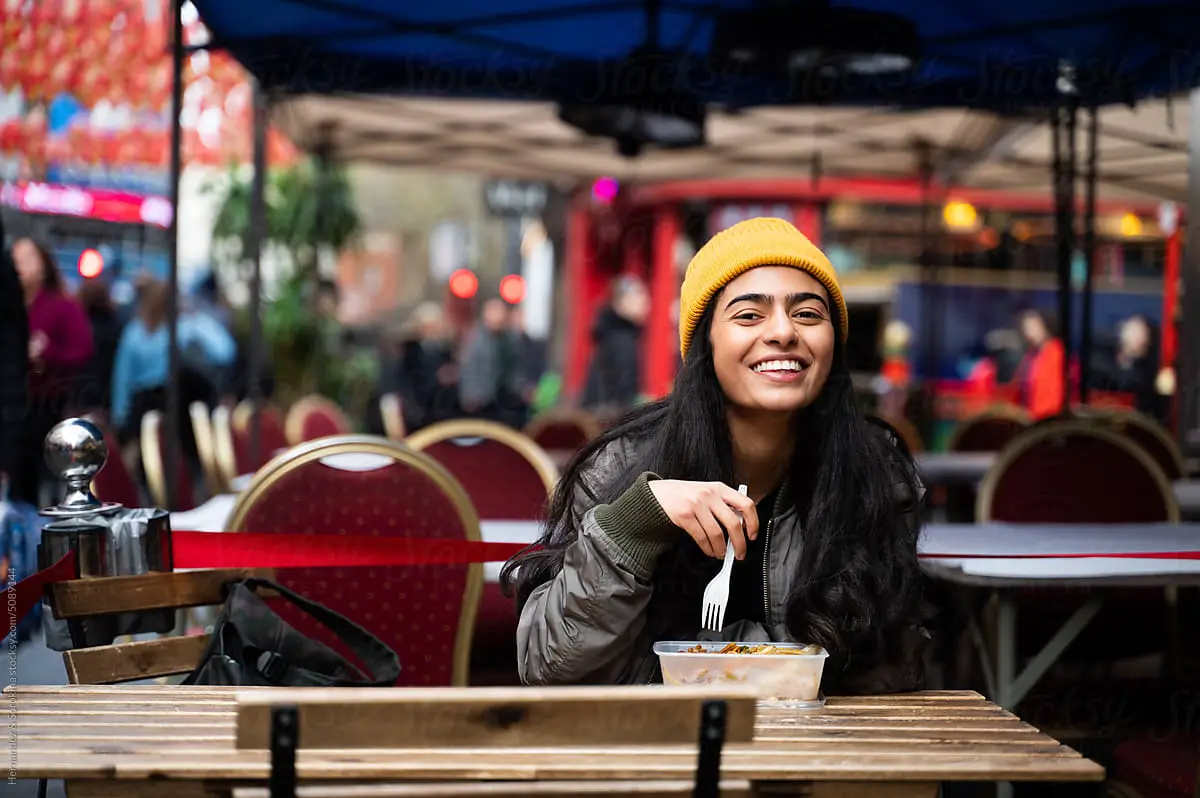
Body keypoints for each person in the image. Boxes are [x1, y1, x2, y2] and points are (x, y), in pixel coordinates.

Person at [502, 217, 932, 694]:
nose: (784, 332)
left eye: (809, 314)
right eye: (749, 315)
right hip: (657, 752)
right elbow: (548, 666)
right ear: (704, 341)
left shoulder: (874, 474)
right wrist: (631, 527)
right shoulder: (619, 465)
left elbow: (892, 665)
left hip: (815, 751)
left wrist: (706, 653)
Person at [12, 237, 93, 505]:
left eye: (27, 259)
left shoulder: (62, 306)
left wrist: (47, 352)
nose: (19, 266)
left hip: (50, 408)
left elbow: (82, 350)